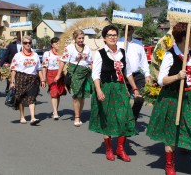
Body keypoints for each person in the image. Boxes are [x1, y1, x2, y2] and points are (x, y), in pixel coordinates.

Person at [146, 22, 191, 175]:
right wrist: (177, 76)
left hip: (190, 97)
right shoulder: (170, 55)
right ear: (184, 37)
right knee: (172, 133)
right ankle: (169, 165)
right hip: (172, 98)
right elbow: (161, 80)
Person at [89, 24, 139, 162]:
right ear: (104, 38)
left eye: (114, 35)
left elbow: (128, 73)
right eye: (109, 35)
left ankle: (120, 149)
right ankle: (109, 148)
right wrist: (98, 90)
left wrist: (134, 88)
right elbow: (96, 75)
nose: (112, 37)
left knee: (124, 118)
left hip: (120, 89)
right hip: (106, 89)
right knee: (108, 119)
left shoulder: (122, 52)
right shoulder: (100, 53)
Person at [55, 29, 94, 127]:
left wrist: (92, 70)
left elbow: (90, 62)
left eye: (82, 38)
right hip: (74, 72)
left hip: (85, 72)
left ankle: (79, 114)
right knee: (76, 94)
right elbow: (63, 61)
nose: (81, 40)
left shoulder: (87, 48)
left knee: (83, 95)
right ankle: (77, 117)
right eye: (79, 38)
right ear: (75, 38)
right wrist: (59, 74)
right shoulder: (70, 48)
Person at [117, 25, 151, 122]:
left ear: (133, 30)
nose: (127, 31)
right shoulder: (119, 42)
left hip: (136, 75)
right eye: (125, 29)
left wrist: (147, 74)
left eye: (130, 29)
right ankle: (122, 119)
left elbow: (143, 60)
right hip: (122, 75)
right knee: (123, 99)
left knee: (140, 99)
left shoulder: (138, 43)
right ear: (123, 30)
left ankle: (133, 118)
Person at [9, 35, 44, 125]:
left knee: (32, 97)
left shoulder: (35, 55)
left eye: (29, 43)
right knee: (21, 98)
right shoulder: (18, 55)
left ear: (31, 44)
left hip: (33, 78)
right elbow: (13, 69)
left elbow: (39, 68)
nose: (27, 44)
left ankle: (33, 118)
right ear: (22, 44)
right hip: (21, 77)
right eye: (25, 43)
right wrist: (12, 82)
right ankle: (22, 116)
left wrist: (43, 79)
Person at [42, 37, 66, 120]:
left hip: (60, 74)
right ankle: (55, 112)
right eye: (56, 43)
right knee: (54, 92)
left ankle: (55, 110)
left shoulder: (63, 53)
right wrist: (43, 79)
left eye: (59, 43)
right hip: (51, 74)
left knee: (58, 93)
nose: (58, 45)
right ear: (52, 45)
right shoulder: (47, 54)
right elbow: (44, 67)